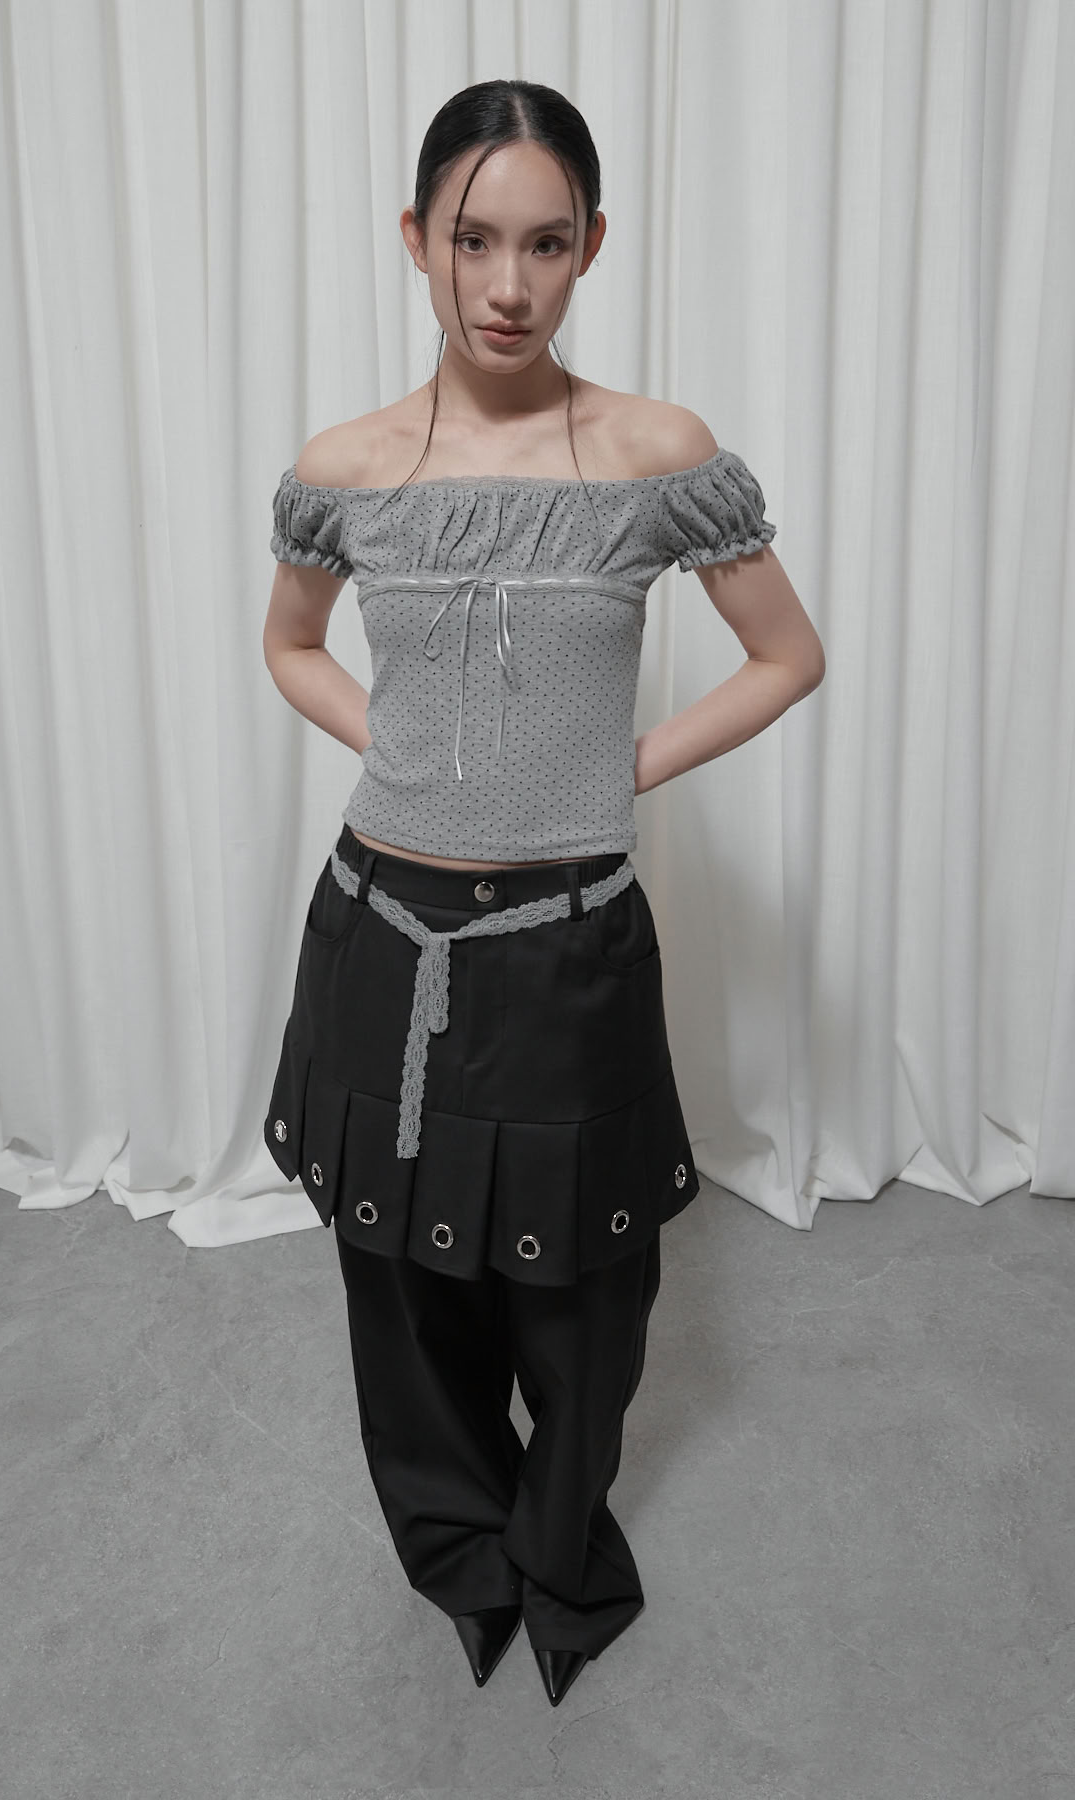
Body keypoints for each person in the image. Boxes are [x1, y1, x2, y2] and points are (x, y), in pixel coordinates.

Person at [261, 78, 825, 1709]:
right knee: (400, 1285)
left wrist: (618, 769)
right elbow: (290, 646)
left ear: (592, 247)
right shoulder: (347, 464)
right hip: (377, 937)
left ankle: (562, 1552)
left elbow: (787, 657)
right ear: (415, 238)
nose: (507, 285)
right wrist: (403, 748)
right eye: (473, 240)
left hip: (564, 948)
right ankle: (456, 1550)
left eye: (547, 243)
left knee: (580, 1291)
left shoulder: (657, 454)